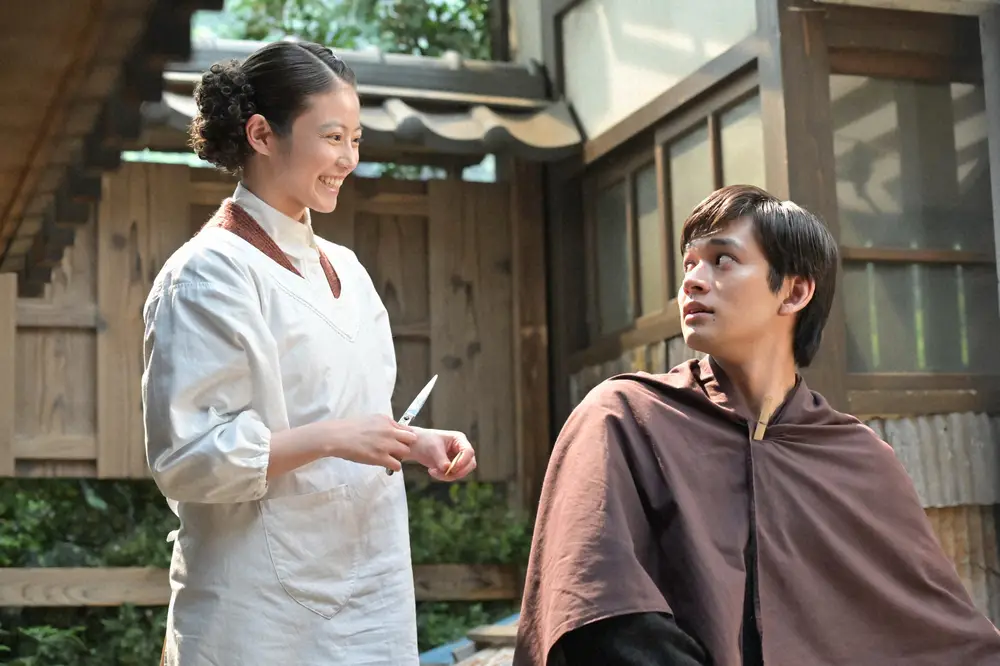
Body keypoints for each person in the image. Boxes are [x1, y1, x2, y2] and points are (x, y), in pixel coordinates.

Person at [513, 184, 1000, 666]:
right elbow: (599, 608)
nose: (692, 281)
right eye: (689, 263)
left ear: (795, 291)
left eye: (722, 260)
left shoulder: (860, 458)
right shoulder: (624, 417)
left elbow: (946, 638)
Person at [141, 40, 477, 666]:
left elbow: (350, 415)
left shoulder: (347, 269)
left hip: (371, 585)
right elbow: (186, 458)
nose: (348, 158)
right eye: (332, 137)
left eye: (356, 139)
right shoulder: (208, 273)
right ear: (262, 134)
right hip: (257, 610)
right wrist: (333, 439)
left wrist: (413, 441)